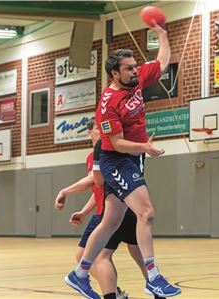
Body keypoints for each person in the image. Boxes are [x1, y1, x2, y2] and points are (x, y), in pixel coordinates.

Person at [66, 21, 181, 299]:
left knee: (111, 221)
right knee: (147, 213)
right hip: (116, 160)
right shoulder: (108, 105)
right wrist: (144, 147)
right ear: (114, 73)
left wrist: (162, 35)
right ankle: (153, 277)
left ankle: (79, 274)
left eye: (134, 66)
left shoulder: (136, 77)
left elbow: (162, 62)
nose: (135, 71)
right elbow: (116, 143)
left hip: (134, 157)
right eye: (129, 68)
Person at [56, 119, 166, 299]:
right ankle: (157, 292)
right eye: (99, 129)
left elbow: (96, 180)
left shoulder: (107, 152)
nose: (103, 132)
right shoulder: (96, 155)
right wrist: (84, 211)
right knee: (138, 255)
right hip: (124, 207)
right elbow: (100, 188)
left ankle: (113, 294)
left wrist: (65, 191)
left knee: (98, 257)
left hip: (115, 211)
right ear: (89, 132)